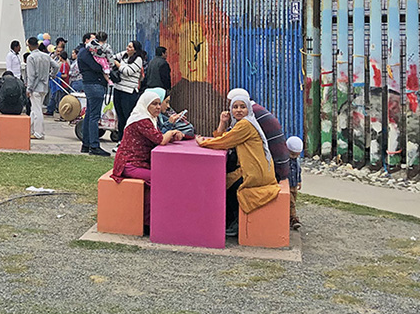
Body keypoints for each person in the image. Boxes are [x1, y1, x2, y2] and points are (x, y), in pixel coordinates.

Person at [197, 89, 280, 236]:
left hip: (256, 172)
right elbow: (225, 137)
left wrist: (202, 142)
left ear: (248, 108)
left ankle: (235, 223)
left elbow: (224, 141)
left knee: (228, 187)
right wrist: (222, 123)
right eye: (235, 107)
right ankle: (230, 221)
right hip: (253, 168)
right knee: (225, 183)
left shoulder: (245, 125)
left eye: (242, 107)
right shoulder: (241, 124)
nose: (239, 110)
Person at [111, 89, 185, 228]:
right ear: (145, 105)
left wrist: (172, 134)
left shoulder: (150, 119)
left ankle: (155, 217)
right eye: (154, 104)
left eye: (159, 103)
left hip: (140, 163)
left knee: (165, 177)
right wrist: (171, 132)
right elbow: (160, 139)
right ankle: (148, 222)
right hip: (129, 164)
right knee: (158, 179)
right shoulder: (141, 120)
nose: (158, 107)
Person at [76, 37, 111, 156]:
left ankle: (86, 144)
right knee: (94, 117)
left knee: (90, 114)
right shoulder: (85, 53)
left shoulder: (85, 52)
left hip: (91, 84)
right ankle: (94, 145)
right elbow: (96, 67)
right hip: (94, 84)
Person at [111, 40, 146, 141]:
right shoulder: (124, 55)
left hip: (129, 92)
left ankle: (130, 140)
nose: (127, 48)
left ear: (135, 50)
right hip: (118, 89)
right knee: (120, 118)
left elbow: (128, 71)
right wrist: (116, 62)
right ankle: (120, 140)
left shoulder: (138, 59)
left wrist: (118, 64)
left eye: (130, 47)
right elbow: (111, 58)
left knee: (128, 117)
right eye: (128, 46)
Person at [25, 36, 58, 140]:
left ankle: (39, 133)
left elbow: (31, 75)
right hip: (44, 86)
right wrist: (52, 74)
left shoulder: (31, 57)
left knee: (37, 110)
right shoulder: (46, 56)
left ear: (29, 46)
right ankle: (29, 130)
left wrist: (29, 88)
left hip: (35, 87)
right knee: (34, 110)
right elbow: (56, 66)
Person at [286, 136, 303, 230]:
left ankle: (290, 216)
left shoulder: (296, 160)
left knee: (293, 200)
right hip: (287, 184)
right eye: (292, 154)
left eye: (296, 155)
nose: (294, 157)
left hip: (294, 184)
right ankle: (293, 218)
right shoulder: (285, 159)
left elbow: (298, 170)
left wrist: (299, 181)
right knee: (291, 202)